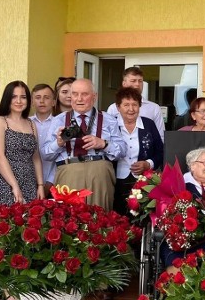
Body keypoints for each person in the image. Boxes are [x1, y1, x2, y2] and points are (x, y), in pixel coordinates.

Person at [42, 77, 126, 210]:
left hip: (99, 172)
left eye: (84, 94)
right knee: (69, 220)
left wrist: (103, 144)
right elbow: (45, 154)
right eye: (75, 94)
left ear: (94, 97)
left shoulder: (108, 119)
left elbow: (122, 151)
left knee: (100, 217)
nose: (79, 99)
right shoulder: (59, 120)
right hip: (69, 171)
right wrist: (58, 143)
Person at [0, 81, 44, 206]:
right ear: (7, 98)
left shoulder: (31, 123)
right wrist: (14, 186)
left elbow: (35, 156)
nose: (19, 101)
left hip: (29, 181)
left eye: (23, 97)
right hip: (4, 181)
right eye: (14, 96)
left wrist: (40, 185)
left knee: (30, 222)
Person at [112, 87, 164, 216]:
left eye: (135, 104)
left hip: (143, 182)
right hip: (115, 181)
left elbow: (161, 151)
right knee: (117, 216)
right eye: (126, 105)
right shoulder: (111, 124)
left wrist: (148, 164)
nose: (131, 109)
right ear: (118, 107)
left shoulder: (149, 124)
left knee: (140, 217)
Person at [106, 67, 166, 140]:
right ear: (124, 83)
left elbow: (160, 137)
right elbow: (108, 135)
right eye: (133, 81)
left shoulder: (154, 108)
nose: (137, 84)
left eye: (140, 81)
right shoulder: (113, 108)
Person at [30, 83, 56, 197]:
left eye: (46, 97)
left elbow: (60, 157)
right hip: (28, 181)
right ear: (32, 102)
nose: (42, 101)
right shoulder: (25, 123)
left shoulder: (59, 123)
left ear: (54, 102)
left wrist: (50, 183)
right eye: (38, 97)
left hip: (53, 182)